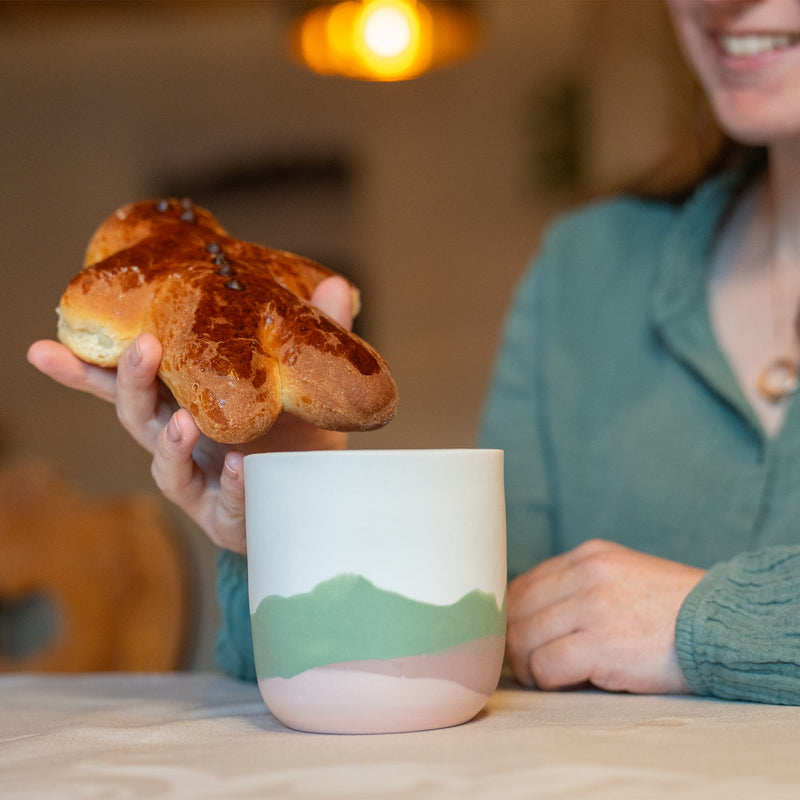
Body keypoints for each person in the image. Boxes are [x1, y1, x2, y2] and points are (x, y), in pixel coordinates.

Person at [27, 0, 800, 704]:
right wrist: (294, 517)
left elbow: (675, 626)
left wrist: (709, 621)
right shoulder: (585, 269)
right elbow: (474, 642)